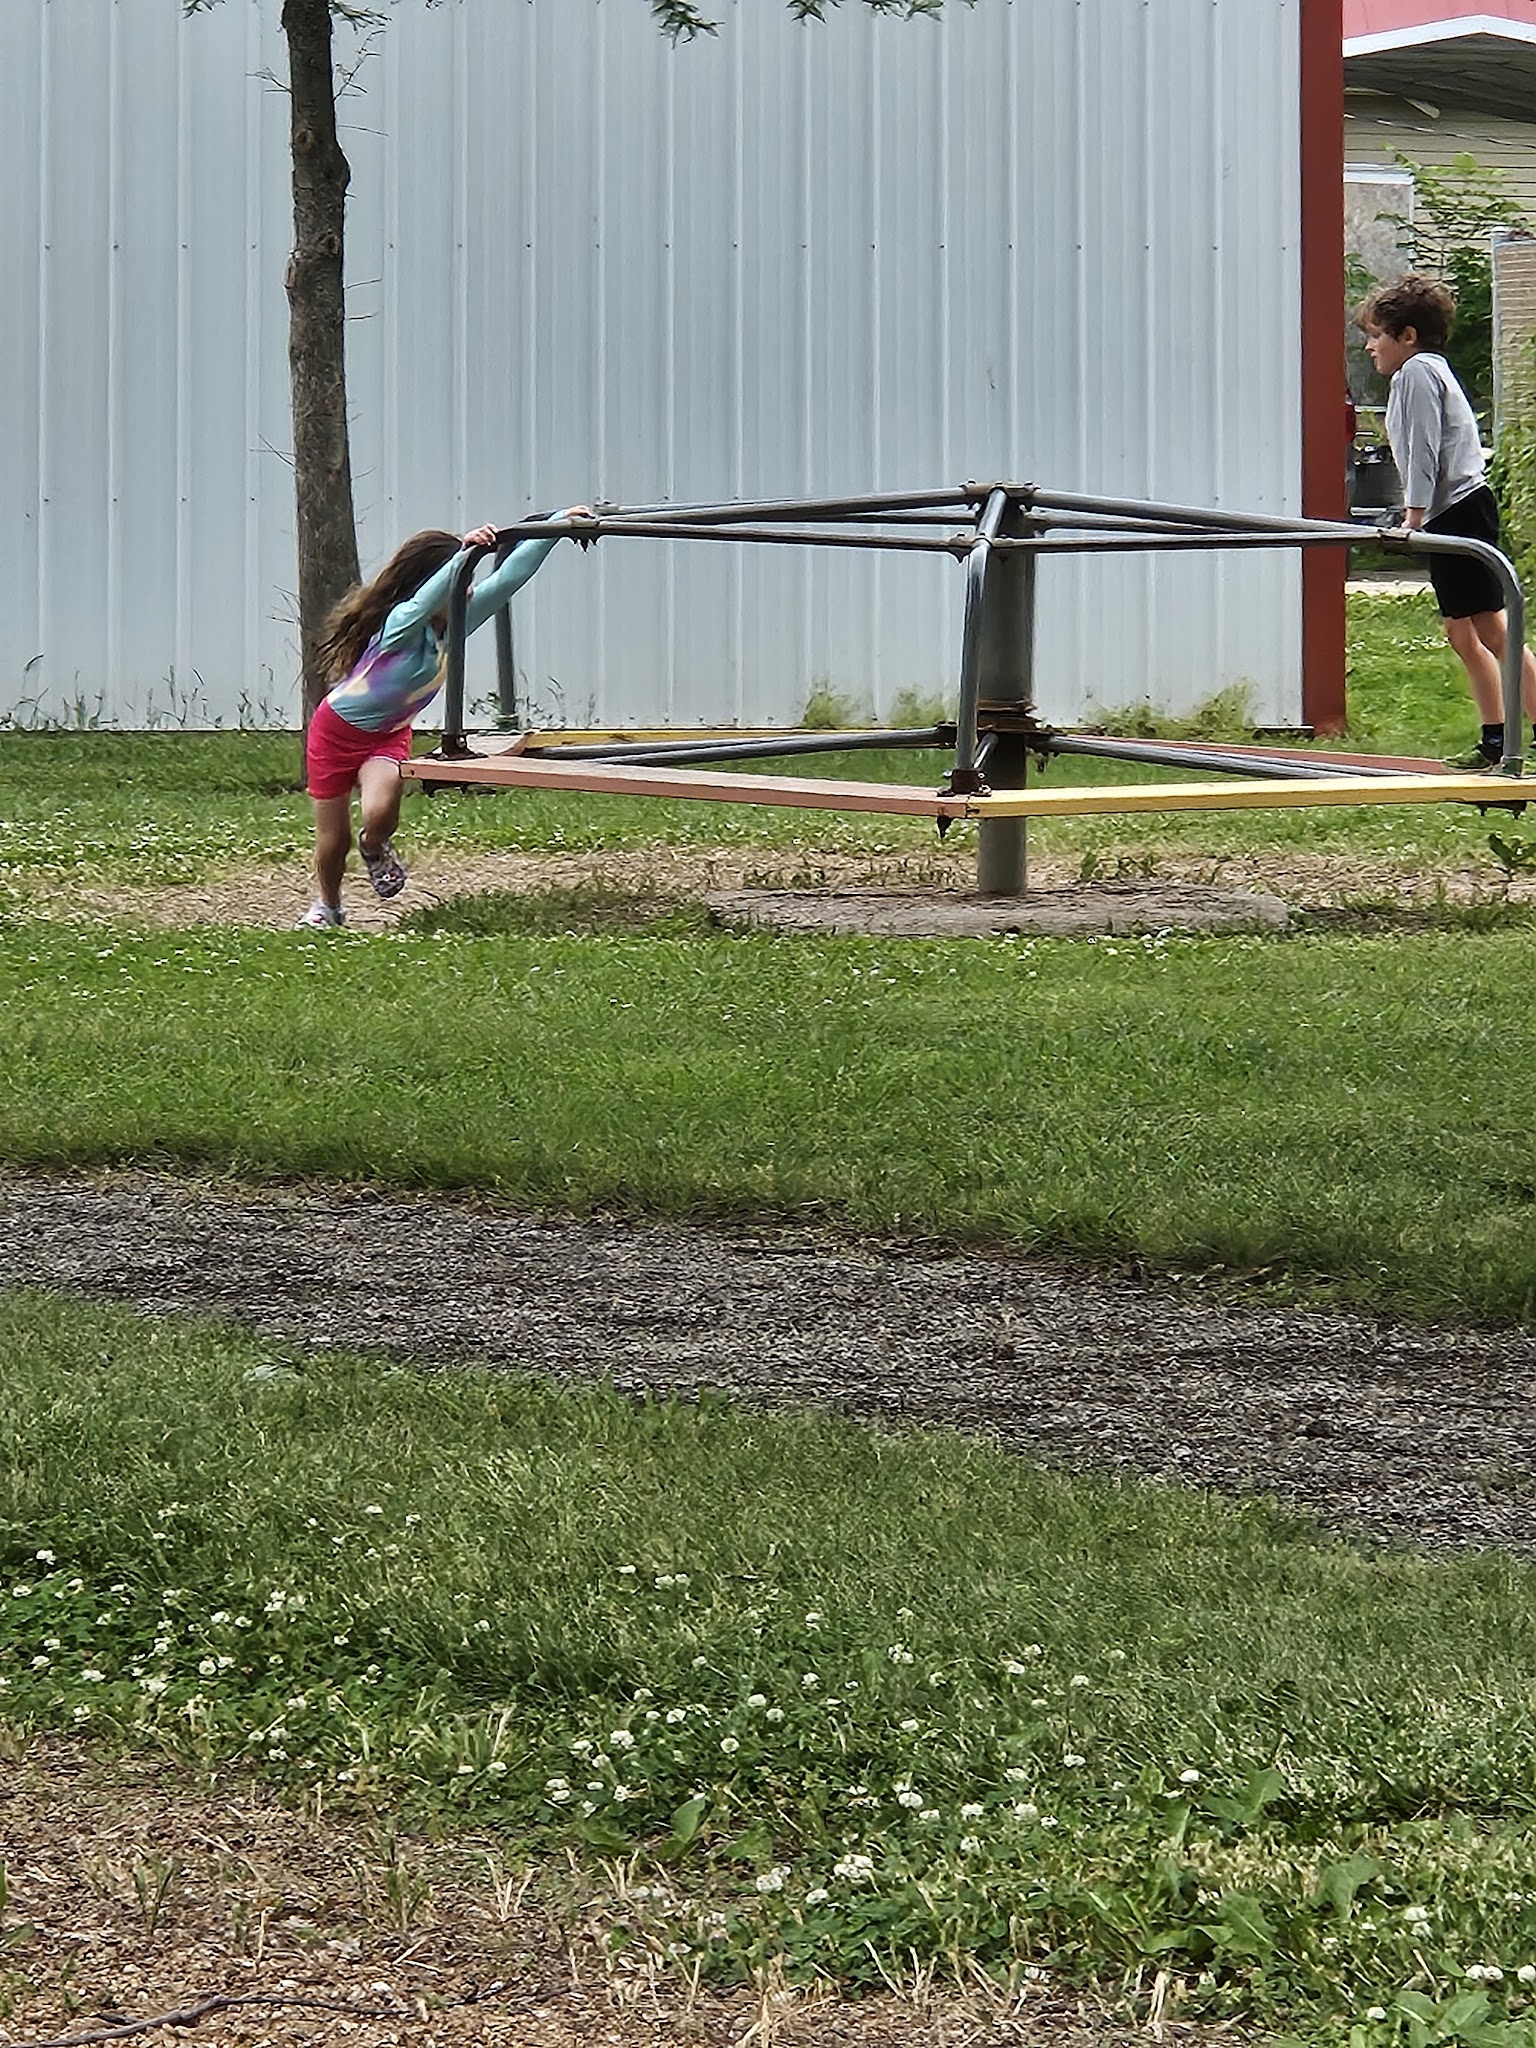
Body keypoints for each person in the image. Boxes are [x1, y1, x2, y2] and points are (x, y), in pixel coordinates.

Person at [297, 510, 589, 928]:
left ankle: (374, 846)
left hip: (386, 737)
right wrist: (466, 553)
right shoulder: (401, 625)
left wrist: (557, 527)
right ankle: (329, 906)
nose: (468, 592)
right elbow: (423, 599)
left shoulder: (453, 627)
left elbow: (506, 581)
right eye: (460, 583)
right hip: (335, 733)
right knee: (333, 838)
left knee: (379, 814)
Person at [1357, 275, 1536, 770]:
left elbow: (1423, 451)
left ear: (1407, 335)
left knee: (1493, 630)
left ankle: (1523, 730)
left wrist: (1412, 517)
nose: (1371, 345)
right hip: (1452, 508)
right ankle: (1496, 739)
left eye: (1377, 334)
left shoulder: (1415, 374)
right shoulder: (1426, 370)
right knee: (1463, 633)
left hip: (1458, 508)